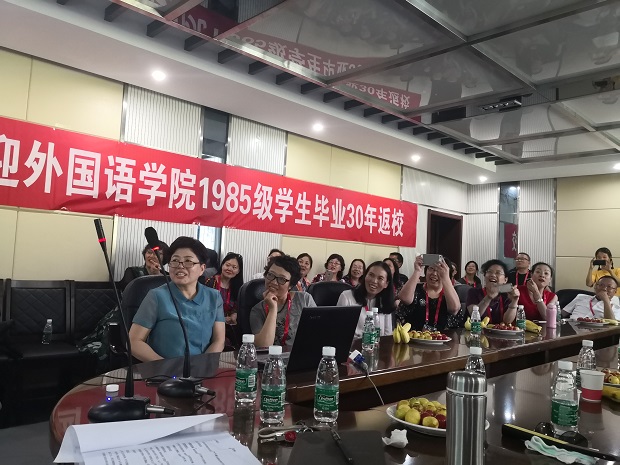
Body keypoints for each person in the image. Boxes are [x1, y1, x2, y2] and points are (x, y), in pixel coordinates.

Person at [129, 237, 225, 361]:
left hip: (202, 369)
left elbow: (219, 340)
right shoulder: (156, 296)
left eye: (188, 261)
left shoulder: (214, 297)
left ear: (202, 269)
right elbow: (134, 341)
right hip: (164, 370)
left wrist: (203, 365)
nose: (180, 266)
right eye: (175, 261)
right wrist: (166, 366)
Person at [250, 255, 316, 347]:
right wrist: (272, 309)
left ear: (291, 285)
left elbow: (317, 333)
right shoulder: (257, 310)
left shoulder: (304, 299)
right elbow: (263, 346)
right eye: (270, 275)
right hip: (272, 356)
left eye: (281, 279)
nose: (273, 282)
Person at [395, 256, 460, 331]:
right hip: (414, 336)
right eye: (431, 268)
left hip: (443, 337)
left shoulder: (449, 292)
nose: (434, 273)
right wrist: (417, 271)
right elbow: (404, 298)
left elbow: (454, 309)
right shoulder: (416, 288)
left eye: (439, 270)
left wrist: (446, 278)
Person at [336, 261, 395, 337]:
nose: (374, 281)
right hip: (352, 344)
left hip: (378, 344)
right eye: (371, 275)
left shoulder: (385, 302)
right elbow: (338, 330)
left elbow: (387, 335)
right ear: (365, 276)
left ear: (386, 284)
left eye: (380, 278)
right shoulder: (347, 297)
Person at [466, 259, 520, 324]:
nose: (493, 275)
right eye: (489, 272)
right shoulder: (474, 292)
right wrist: (488, 297)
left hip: (499, 330)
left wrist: (514, 301)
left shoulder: (507, 294)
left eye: (498, 273)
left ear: (505, 280)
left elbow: (507, 321)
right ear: (484, 276)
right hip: (477, 329)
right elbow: (473, 316)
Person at [203, 253, 244, 325]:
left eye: (234, 267)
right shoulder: (209, 283)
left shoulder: (238, 287)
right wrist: (220, 319)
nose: (229, 269)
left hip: (229, 325)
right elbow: (204, 307)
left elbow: (237, 306)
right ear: (222, 265)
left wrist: (234, 314)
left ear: (238, 271)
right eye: (227, 265)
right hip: (210, 323)